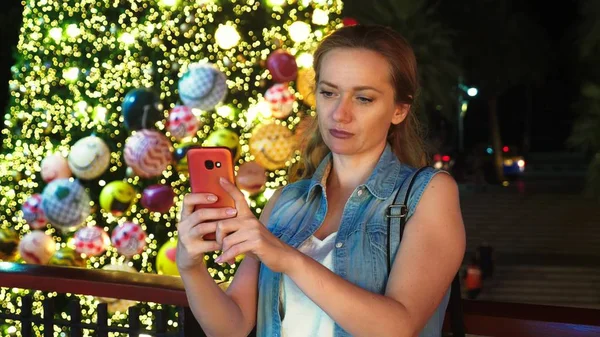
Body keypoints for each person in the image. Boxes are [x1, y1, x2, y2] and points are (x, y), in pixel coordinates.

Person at [176, 24, 466, 337]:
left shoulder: (428, 193)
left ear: (399, 109)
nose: (340, 114)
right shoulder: (286, 201)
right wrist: (190, 267)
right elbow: (230, 329)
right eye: (329, 93)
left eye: (364, 98)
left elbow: (399, 327)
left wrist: (289, 259)